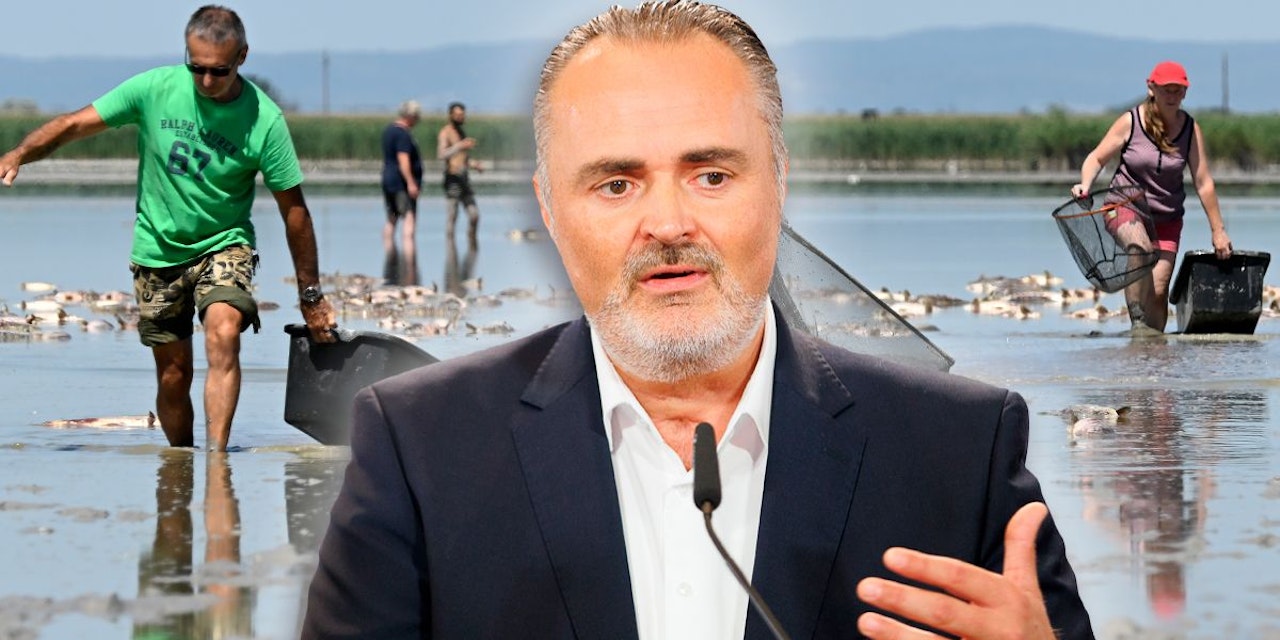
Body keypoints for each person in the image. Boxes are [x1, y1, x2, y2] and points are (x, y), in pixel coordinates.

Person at [302, 2, 1092, 638]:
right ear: (549, 208)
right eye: (616, 184)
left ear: (778, 183)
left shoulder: (960, 452)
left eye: (711, 175)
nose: (668, 224)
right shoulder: (419, 449)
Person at [0, 5, 337, 452]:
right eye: (196, 67)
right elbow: (73, 125)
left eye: (218, 71)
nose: (206, 81)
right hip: (157, 250)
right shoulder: (154, 89)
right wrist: (18, 154)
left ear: (242, 57)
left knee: (223, 333)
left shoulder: (265, 121)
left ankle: (217, 463)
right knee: (174, 375)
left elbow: (295, 211)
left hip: (224, 244)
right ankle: (181, 461)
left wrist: (311, 295)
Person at [1072, 60, 1233, 332]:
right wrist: (1084, 184)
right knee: (1140, 248)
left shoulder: (1190, 129)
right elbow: (1096, 158)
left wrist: (1218, 231)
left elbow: (1203, 182)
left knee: (1158, 294)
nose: (1172, 96)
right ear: (1151, 89)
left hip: (1167, 219)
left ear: (1185, 93)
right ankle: (1137, 325)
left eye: (1178, 90)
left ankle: (1153, 349)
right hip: (1125, 206)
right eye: (1166, 89)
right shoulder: (1131, 121)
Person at [436, 101, 483, 241]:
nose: (460, 118)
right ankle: (450, 247)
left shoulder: (461, 132)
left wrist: (474, 164)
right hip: (452, 178)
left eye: (462, 115)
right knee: (452, 216)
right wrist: (459, 146)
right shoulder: (445, 132)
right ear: (450, 115)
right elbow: (441, 154)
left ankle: (472, 244)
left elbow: (463, 158)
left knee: (474, 215)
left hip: (464, 178)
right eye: (457, 115)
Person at [381, 99, 424, 250]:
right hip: (401, 183)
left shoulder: (389, 130)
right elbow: (403, 160)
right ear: (410, 116)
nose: (418, 120)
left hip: (388, 180)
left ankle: (389, 254)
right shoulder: (403, 135)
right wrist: (411, 183)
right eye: (417, 117)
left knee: (392, 218)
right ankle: (409, 256)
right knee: (409, 216)